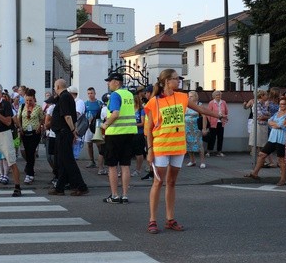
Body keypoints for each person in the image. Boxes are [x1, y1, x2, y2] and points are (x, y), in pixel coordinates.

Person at [144, 69, 223, 234]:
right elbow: (149, 129)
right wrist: (150, 150)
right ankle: (152, 220)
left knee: (172, 183)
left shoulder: (182, 97)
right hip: (161, 147)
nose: (178, 81)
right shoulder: (154, 102)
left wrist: (218, 115)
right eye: (175, 79)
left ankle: (170, 219)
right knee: (158, 182)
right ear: (166, 81)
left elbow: (201, 110)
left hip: (178, 147)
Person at [100, 72, 137, 203]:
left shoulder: (115, 95)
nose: (108, 83)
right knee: (125, 165)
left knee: (112, 165)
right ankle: (125, 195)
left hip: (115, 133)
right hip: (129, 132)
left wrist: (105, 124)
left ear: (117, 82)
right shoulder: (129, 94)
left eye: (109, 81)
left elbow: (115, 114)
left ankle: (115, 195)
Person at [48, 79, 88, 197]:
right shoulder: (65, 97)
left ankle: (81, 186)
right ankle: (60, 187)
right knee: (62, 161)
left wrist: (72, 130)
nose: (54, 88)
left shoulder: (65, 97)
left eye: (55, 86)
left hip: (64, 132)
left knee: (68, 160)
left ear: (58, 86)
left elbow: (67, 116)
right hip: (63, 132)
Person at [245, 97, 286, 185]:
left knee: (281, 159)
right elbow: (269, 121)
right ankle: (255, 173)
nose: (281, 106)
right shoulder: (277, 113)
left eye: (283, 104)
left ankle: (283, 179)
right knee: (262, 154)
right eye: (280, 104)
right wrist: (275, 124)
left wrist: (275, 124)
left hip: (281, 139)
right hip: (272, 138)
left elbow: (281, 125)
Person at [14, 88, 44, 185]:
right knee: (27, 152)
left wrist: (40, 127)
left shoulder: (38, 108)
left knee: (31, 151)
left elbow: (42, 118)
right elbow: (18, 118)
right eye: (27, 100)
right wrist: (20, 128)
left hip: (35, 133)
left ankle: (29, 173)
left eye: (30, 100)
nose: (28, 102)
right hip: (25, 133)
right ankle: (29, 168)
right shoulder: (22, 107)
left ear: (34, 99)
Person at [184, 90, 207, 168]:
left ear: (196, 97)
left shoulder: (199, 105)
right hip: (187, 128)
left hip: (196, 128)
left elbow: (204, 116)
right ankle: (192, 161)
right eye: (189, 96)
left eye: (191, 96)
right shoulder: (186, 105)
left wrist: (204, 128)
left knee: (199, 144)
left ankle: (202, 162)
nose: (189, 98)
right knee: (188, 144)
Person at [83, 87, 104, 170]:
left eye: (91, 93)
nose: (90, 95)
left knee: (99, 143)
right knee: (89, 144)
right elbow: (83, 113)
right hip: (88, 126)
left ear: (95, 93)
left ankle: (101, 160)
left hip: (97, 126)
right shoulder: (85, 103)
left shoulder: (99, 103)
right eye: (88, 93)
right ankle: (92, 161)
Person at [206, 90, 228, 156]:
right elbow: (208, 113)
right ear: (214, 96)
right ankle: (209, 151)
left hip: (221, 122)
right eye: (217, 95)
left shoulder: (223, 102)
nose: (218, 96)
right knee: (212, 138)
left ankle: (219, 151)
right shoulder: (211, 103)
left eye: (219, 95)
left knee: (220, 137)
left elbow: (226, 111)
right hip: (213, 122)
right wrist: (209, 122)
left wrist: (224, 116)